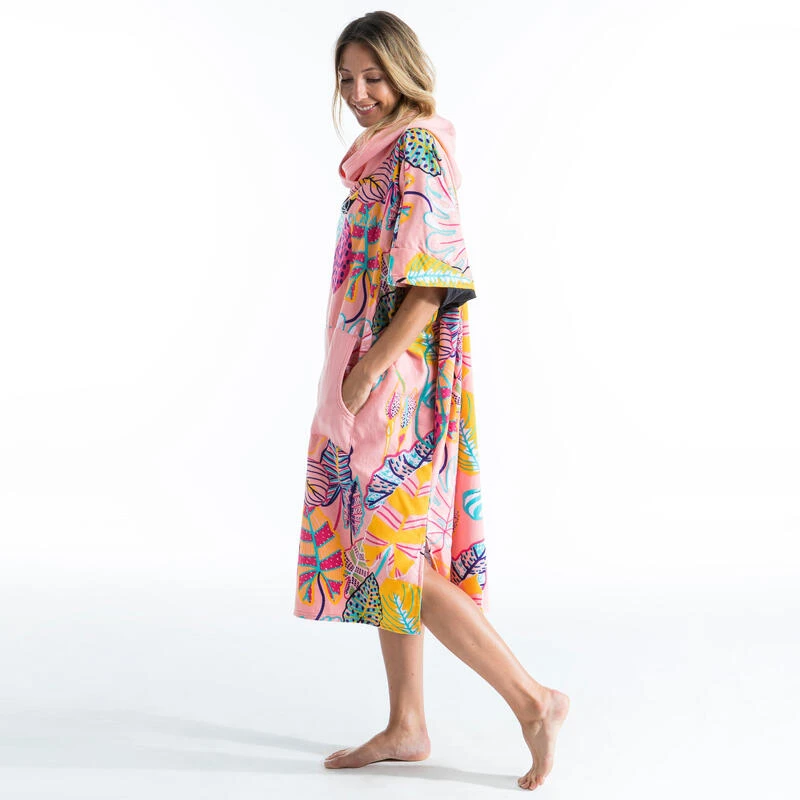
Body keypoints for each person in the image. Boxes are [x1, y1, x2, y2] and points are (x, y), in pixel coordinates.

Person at [293, 10, 570, 792]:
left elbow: (433, 283)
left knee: (395, 557)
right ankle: (407, 723)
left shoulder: (418, 149)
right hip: (368, 380)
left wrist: (365, 376)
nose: (359, 93)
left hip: (396, 389)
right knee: (393, 555)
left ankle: (534, 700)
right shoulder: (375, 157)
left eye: (373, 77)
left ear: (405, 72)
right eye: (347, 79)